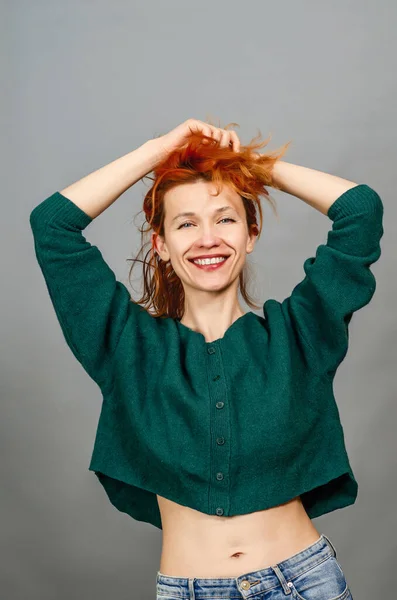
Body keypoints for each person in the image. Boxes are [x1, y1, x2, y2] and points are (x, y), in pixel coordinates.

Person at [29, 119, 384, 599]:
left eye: (225, 218)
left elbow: (360, 211)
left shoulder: (301, 334)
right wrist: (157, 152)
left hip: (306, 584)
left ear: (250, 233)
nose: (208, 238)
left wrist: (252, 167)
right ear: (162, 245)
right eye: (186, 223)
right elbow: (52, 224)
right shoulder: (127, 348)